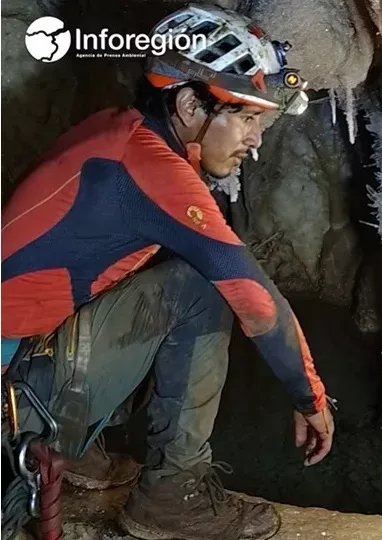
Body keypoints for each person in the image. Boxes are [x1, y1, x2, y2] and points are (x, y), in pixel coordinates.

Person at [1, 4, 334, 539]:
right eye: (246, 117)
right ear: (188, 104)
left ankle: (79, 451)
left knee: (148, 263)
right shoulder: (153, 168)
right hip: (15, 401)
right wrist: (310, 397)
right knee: (201, 286)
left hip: (20, 365)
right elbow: (255, 299)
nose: (256, 138)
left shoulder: (113, 130)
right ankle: (171, 495)